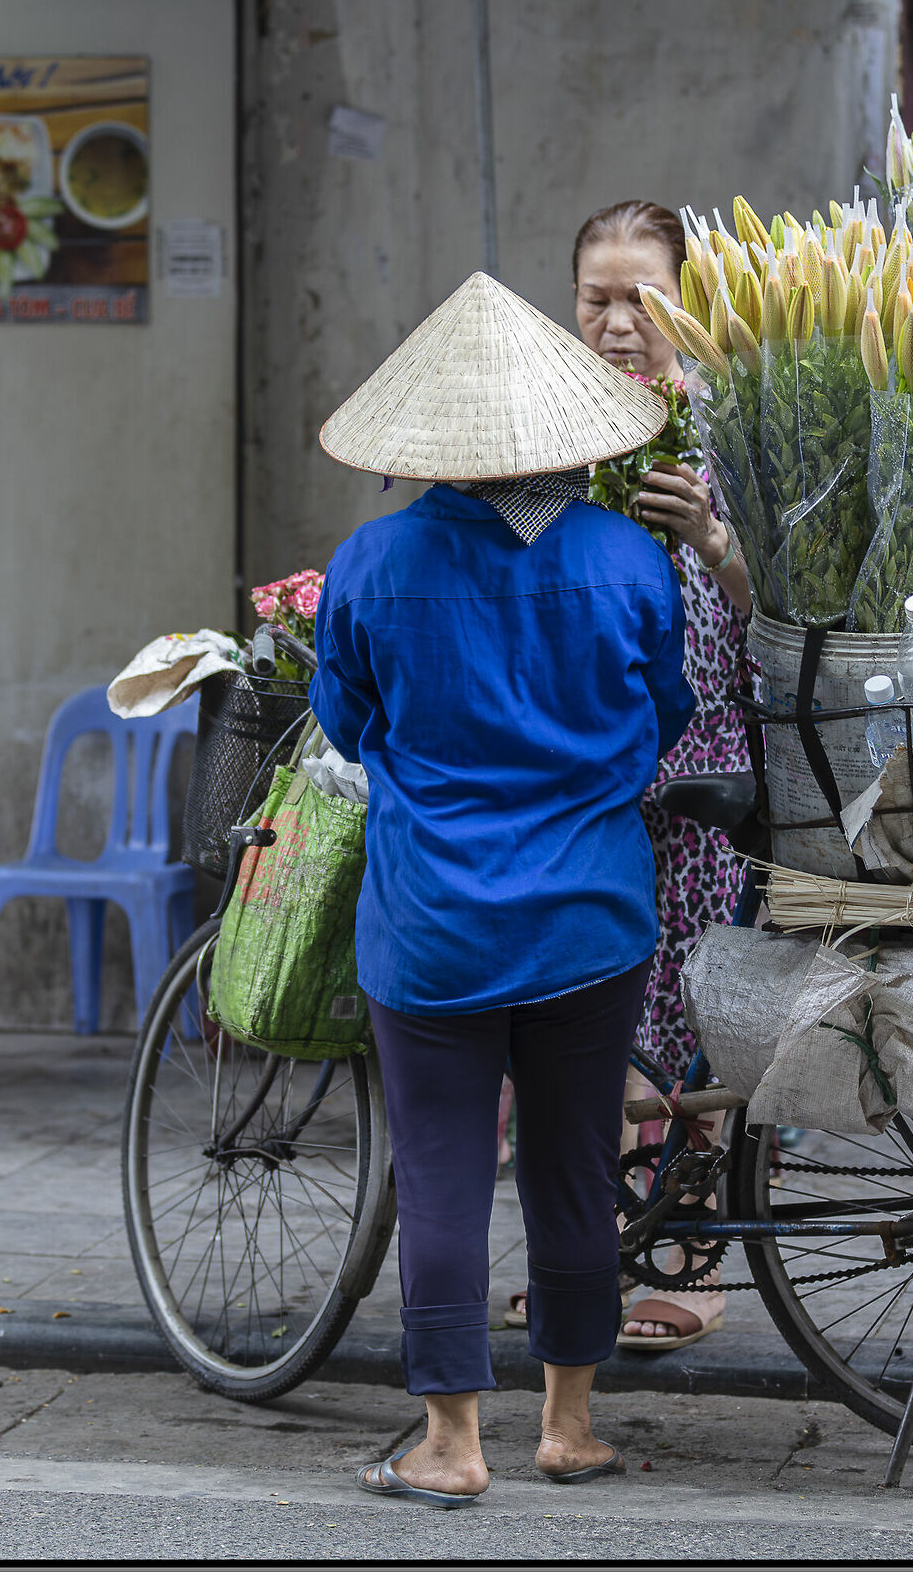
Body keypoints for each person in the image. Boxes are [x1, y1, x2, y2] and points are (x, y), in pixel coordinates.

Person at [313, 272, 692, 1506]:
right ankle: (569, 1424)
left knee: (441, 1173)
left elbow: (348, 718)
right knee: (574, 1168)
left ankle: (451, 1442)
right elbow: (666, 715)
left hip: (434, 925)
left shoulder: (373, 562)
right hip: (590, 916)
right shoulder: (628, 558)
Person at [524, 198, 756, 1352]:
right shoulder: (546, 437)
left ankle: (689, 1257)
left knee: (685, 1015)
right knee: (578, 1022)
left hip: (701, 775)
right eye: (596, 299)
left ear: (688, 306)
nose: (618, 324)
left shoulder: (739, 433)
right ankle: (584, 1259)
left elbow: (794, 607)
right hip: (578, 774)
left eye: (642, 300)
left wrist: (715, 538)